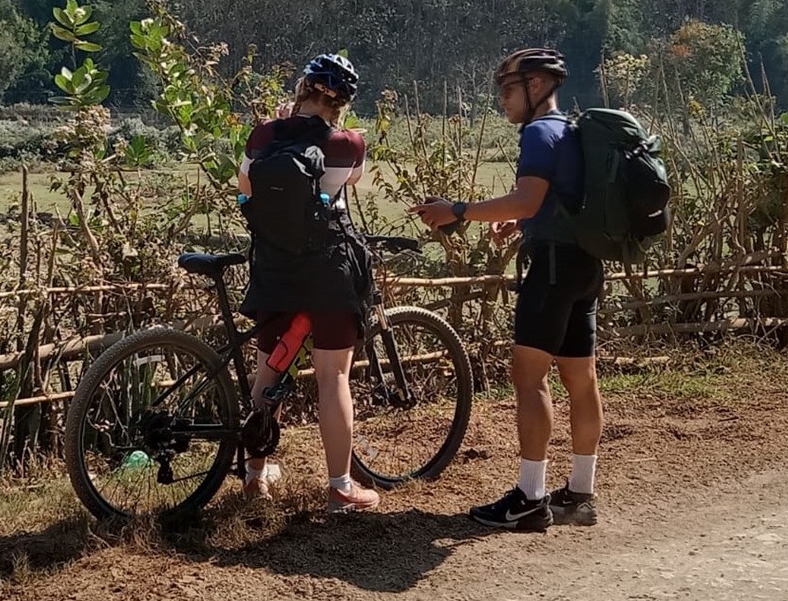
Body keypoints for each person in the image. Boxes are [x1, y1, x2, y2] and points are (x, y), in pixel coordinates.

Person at [410, 47, 602, 531]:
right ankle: (580, 494)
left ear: (536, 86)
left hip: (552, 270)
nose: (502, 101)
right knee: (581, 380)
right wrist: (521, 222)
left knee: (529, 377)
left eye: (508, 90)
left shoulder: (539, 132)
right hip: (584, 265)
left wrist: (458, 209)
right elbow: (553, 202)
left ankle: (530, 499)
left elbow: (528, 196)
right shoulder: (572, 130)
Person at [238, 53, 380, 514]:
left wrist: (282, 125)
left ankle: (255, 476)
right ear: (341, 103)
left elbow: (244, 184)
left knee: (270, 368)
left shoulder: (263, 134)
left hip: (276, 265)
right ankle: (340, 487)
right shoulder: (348, 143)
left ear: (302, 87)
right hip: (329, 268)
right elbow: (350, 183)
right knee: (332, 375)